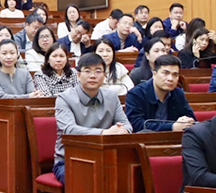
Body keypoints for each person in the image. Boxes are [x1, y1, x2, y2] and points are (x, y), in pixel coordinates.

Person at [53, 53, 133, 183]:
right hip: (70, 159)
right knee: (84, 180)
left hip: (106, 157)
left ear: (104, 76)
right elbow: (69, 130)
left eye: (98, 71)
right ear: (78, 75)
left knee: (128, 178)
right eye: (87, 71)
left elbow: (126, 124)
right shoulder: (65, 98)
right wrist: (104, 133)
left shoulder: (112, 97)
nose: (93, 75)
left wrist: (122, 130)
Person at [125, 55, 196, 132]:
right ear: (154, 74)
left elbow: (191, 118)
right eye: (165, 73)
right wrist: (171, 127)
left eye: (175, 75)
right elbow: (136, 124)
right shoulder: (136, 94)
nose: (170, 79)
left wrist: (187, 122)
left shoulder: (178, 93)